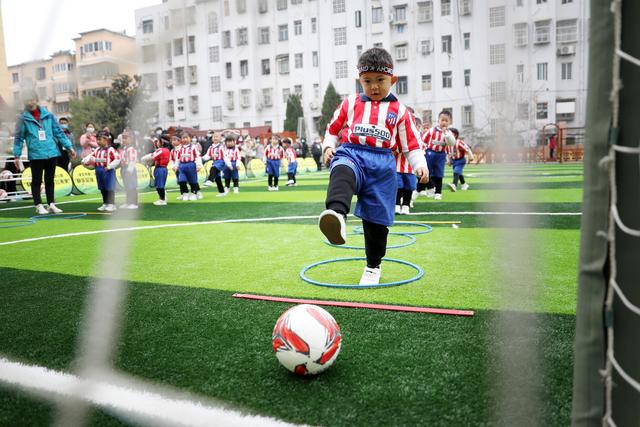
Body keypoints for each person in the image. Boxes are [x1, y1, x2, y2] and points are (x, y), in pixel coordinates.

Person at [318, 47, 428, 286]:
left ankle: (372, 266)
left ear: (392, 80)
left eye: (380, 80)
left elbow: (411, 144)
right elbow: (333, 129)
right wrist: (328, 147)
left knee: (376, 221)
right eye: (367, 81)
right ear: (360, 80)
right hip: (353, 153)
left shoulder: (400, 111)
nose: (374, 87)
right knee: (341, 170)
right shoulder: (350, 103)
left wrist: (420, 164)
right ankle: (337, 215)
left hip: (382, 165)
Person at [13, 91, 76, 214]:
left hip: (51, 152)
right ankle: (38, 205)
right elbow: (19, 137)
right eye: (27, 100)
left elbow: (58, 132)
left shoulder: (48, 115)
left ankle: (51, 204)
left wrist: (69, 147)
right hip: (36, 154)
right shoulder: (22, 119)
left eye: (32, 99)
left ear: (36, 100)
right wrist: (17, 155)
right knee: (36, 180)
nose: (30, 102)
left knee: (50, 180)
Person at [417, 110, 456, 200]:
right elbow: (423, 140)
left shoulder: (449, 133)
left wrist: (447, 135)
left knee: (439, 174)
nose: (444, 122)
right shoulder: (432, 130)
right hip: (430, 153)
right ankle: (427, 188)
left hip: (441, 155)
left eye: (446, 121)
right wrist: (421, 150)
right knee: (427, 172)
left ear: (449, 122)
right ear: (438, 120)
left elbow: (451, 143)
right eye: (442, 120)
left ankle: (438, 193)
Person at [85, 130, 120, 212]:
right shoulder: (97, 150)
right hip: (99, 170)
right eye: (97, 140)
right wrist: (85, 161)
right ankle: (105, 203)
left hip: (108, 171)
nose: (98, 142)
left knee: (109, 188)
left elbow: (117, 159)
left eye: (99, 139)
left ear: (106, 139)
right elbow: (92, 157)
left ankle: (111, 204)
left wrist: (109, 166)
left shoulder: (111, 149)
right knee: (102, 188)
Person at [142, 135, 171, 206]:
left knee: (159, 185)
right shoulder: (167, 150)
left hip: (160, 169)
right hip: (163, 168)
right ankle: (163, 198)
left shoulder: (161, 150)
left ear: (162, 142)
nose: (156, 143)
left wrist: (143, 159)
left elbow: (152, 156)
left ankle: (162, 199)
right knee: (160, 184)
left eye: (158, 141)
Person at [176, 132, 203, 201]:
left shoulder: (193, 147)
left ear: (190, 138)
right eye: (183, 138)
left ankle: (194, 193)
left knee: (192, 181)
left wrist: (198, 165)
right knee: (181, 180)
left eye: (186, 138)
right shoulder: (179, 148)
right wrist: (176, 165)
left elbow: (197, 156)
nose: (185, 139)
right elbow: (177, 158)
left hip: (191, 165)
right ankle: (185, 193)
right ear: (181, 139)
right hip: (182, 166)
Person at [119, 130, 139, 209]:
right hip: (124, 169)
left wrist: (129, 170)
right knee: (127, 186)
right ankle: (128, 202)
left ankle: (134, 203)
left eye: (125, 138)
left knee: (132, 186)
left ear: (131, 139)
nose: (123, 140)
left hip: (129, 169)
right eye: (123, 138)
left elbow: (132, 160)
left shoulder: (131, 149)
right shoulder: (125, 148)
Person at [203, 131, 226, 196]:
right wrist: (202, 158)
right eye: (214, 137)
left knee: (213, 168)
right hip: (215, 162)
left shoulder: (221, 147)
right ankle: (222, 192)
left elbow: (225, 156)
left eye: (217, 137)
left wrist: (229, 164)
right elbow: (207, 155)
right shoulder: (211, 147)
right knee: (217, 178)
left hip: (220, 162)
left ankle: (210, 180)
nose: (215, 138)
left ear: (220, 138)